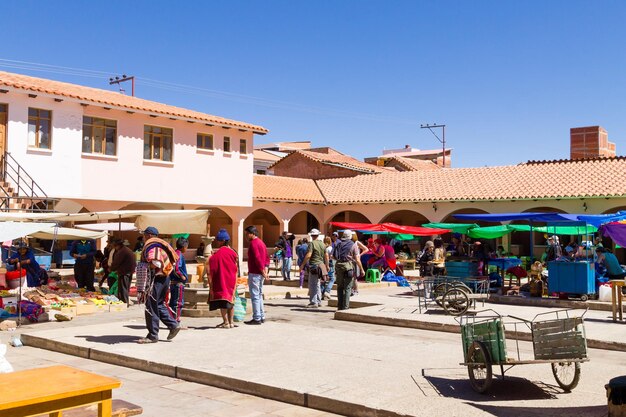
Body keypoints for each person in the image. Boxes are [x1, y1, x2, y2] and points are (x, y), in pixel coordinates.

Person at [136, 226, 181, 344]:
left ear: (149, 235)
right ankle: (173, 325)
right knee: (159, 304)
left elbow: (156, 262)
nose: (144, 238)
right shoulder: (160, 245)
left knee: (151, 306)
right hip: (164, 279)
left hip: (156, 279)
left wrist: (144, 266)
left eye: (145, 235)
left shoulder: (153, 246)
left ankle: (152, 335)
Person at [208, 229, 238, 328]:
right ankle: (231, 322)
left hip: (222, 280)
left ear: (222, 241)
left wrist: (212, 256)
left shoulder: (217, 254)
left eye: (218, 240)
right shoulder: (233, 252)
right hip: (232, 281)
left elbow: (211, 265)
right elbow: (236, 266)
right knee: (231, 301)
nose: (217, 242)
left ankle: (225, 322)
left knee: (222, 302)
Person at [332, 230, 363, 310]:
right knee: (348, 288)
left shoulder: (338, 243)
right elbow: (357, 259)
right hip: (348, 267)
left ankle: (340, 306)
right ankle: (345, 307)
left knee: (340, 287)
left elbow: (334, 256)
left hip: (339, 266)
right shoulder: (353, 245)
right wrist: (362, 269)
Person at [245, 225, 269, 325]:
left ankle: (257, 317)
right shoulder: (262, 243)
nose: (246, 236)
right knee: (259, 295)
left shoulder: (254, 243)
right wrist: (265, 269)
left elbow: (257, 258)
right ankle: (261, 315)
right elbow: (267, 257)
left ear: (252, 233)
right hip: (260, 272)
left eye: (247, 233)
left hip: (255, 272)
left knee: (255, 295)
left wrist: (262, 271)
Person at [299, 228, 328, 308]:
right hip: (321, 266)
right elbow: (326, 256)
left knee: (312, 284)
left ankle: (313, 302)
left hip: (314, 266)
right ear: (318, 235)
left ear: (311, 235)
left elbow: (309, 255)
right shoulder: (322, 244)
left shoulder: (312, 244)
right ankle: (318, 301)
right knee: (318, 284)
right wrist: (327, 265)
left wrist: (302, 264)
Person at [109, 238, 136, 304]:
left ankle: (124, 303)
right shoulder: (126, 250)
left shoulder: (122, 252)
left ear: (118, 245)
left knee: (123, 289)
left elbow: (116, 263)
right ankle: (123, 302)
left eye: (115, 246)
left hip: (125, 272)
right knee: (125, 288)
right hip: (128, 271)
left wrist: (111, 269)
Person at [169, 237, 189, 322]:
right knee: (178, 303)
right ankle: (175, 321)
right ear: (184, 246)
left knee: (173, 302)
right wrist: (182, 276)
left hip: (173, 282)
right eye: (187, 247)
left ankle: (172, 319)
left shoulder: (174, 253)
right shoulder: (179, 254)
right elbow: (176, 268)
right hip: (178, 283)